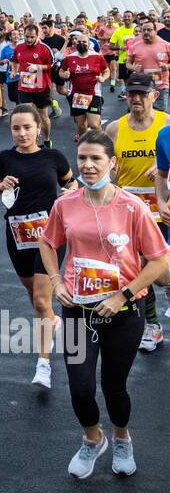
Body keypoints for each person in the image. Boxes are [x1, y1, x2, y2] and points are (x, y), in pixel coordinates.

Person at [38, 131, 169, 478]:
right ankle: (93, 439)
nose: (88, 165)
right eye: (82, 158)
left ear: (112, 163)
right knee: (80, 387)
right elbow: (48, 243)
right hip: (78, 310)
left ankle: (122, 438)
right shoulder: (65, 204)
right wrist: (55, 281)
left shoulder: (132, 207)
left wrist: (122, 295)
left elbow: (159, 261)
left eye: (96, 158)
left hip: (123, 312)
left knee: (114, 387)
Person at [0, 103, 74, 388]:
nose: (22, 133)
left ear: (39, 127)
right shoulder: (4, 160)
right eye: (16, 128)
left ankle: (43, 364)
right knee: (34, 294)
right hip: (18, 235)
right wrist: (0, 187)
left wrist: (67, 194)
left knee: (39, 300)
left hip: (50, 237)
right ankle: (50, 319)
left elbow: (72, 185)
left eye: (27, 127)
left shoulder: (54, 157)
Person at [104, 73, 167, 351]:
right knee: (141, 267)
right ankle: (152, 325)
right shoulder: (115, 129)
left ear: (154, 95)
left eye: (143, 94)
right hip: (130, 209)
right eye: (132, 94)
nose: (137, 99)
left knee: (165, 273)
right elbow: (104, 165)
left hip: (164, 206)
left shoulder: (167, 125)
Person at [57, 33, 108, 137]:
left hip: (94, 94)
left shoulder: (97, 57)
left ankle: (98, 146)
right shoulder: (69, 58)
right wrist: (64, 75)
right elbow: (61, 72)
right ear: (75, 43)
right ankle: (84, 147)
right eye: (79, 42)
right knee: (81, 126)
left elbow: (106, 70)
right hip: (77, 95)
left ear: (89, 44)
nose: (81, 44)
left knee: (94, 125)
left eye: (84, 42)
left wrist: (103, 78)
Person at [11, 23, 55, 142]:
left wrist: (38, 67)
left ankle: (46, 139)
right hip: (24, 87)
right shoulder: (19, 47)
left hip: (41, 87)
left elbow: (53, 65)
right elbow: (14, 60)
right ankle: (32, 141)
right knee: (27, 115)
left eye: (32, 37)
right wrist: (14, 71)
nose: (29, 39)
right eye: (26, 37)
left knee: (43, 117)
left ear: (37, 36)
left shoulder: (44, 48)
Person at [126, 19, 170, 112]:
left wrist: (167, 66)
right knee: (141, 113)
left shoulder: (165, 45)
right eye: (143, 30)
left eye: (149, 30)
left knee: (160, 115)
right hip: (142, 86)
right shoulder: (135, 46)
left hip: (161, 85)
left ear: (155, 31)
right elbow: (128, 63)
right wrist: (133, 67)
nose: (146, 32)